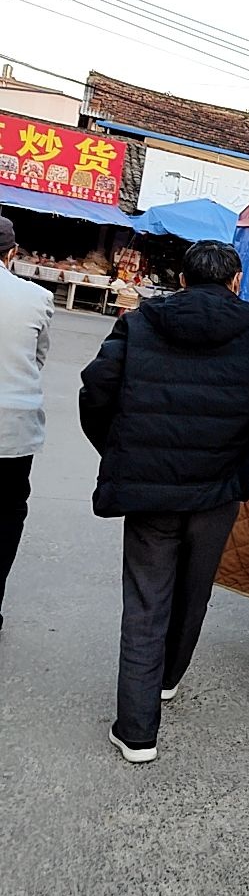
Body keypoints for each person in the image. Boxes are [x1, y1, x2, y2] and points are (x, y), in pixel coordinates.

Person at [80, 239, 249, 763]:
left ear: (182, 280)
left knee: (146, 600)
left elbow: (95, 390)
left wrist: (122, 452)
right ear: (236, 282)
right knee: (194, 588)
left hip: (151, 489)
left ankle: (137, 731)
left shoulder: (139, 323)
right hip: (219, 489)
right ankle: (167, 678)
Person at [0, 215, 53, 631]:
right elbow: (37, 358)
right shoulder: (36, 297)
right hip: (13, 430)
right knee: (6, 515)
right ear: (12, 254)